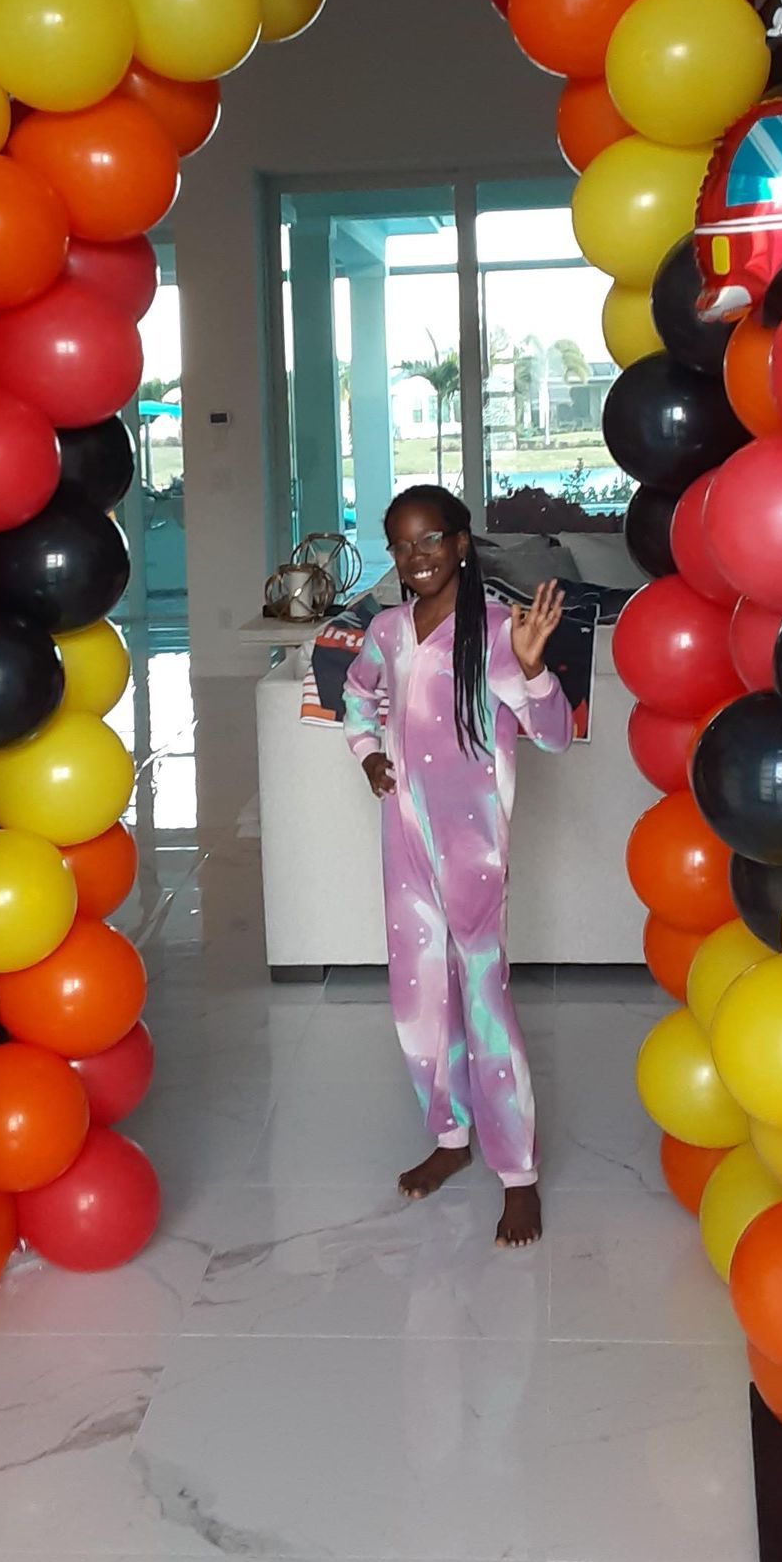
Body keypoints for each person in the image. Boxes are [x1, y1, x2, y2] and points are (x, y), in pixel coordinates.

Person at [343, 485, 571, 1247]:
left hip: (474, 847)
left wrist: (536, 672)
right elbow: (356, 698)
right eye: (402, 545)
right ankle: (449, 1137)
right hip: (402, 837)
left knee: (482, 996)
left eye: (431, 540)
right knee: (417, 995)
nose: (417, 558)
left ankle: (517, 1173)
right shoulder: (385, 630)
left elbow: (553, 738)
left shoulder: (501, 632)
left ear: (463, 543)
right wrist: (371, 755)